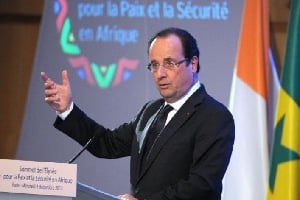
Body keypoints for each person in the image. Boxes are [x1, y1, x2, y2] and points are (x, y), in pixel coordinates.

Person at [41, 27, 235, 200]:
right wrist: (67, 110)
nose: (160, 74)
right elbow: (107, 144)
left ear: (193, 64)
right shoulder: (151, 110)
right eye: (154, 65)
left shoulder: (215, 117)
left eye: (169, 63)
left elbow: (201, 186)